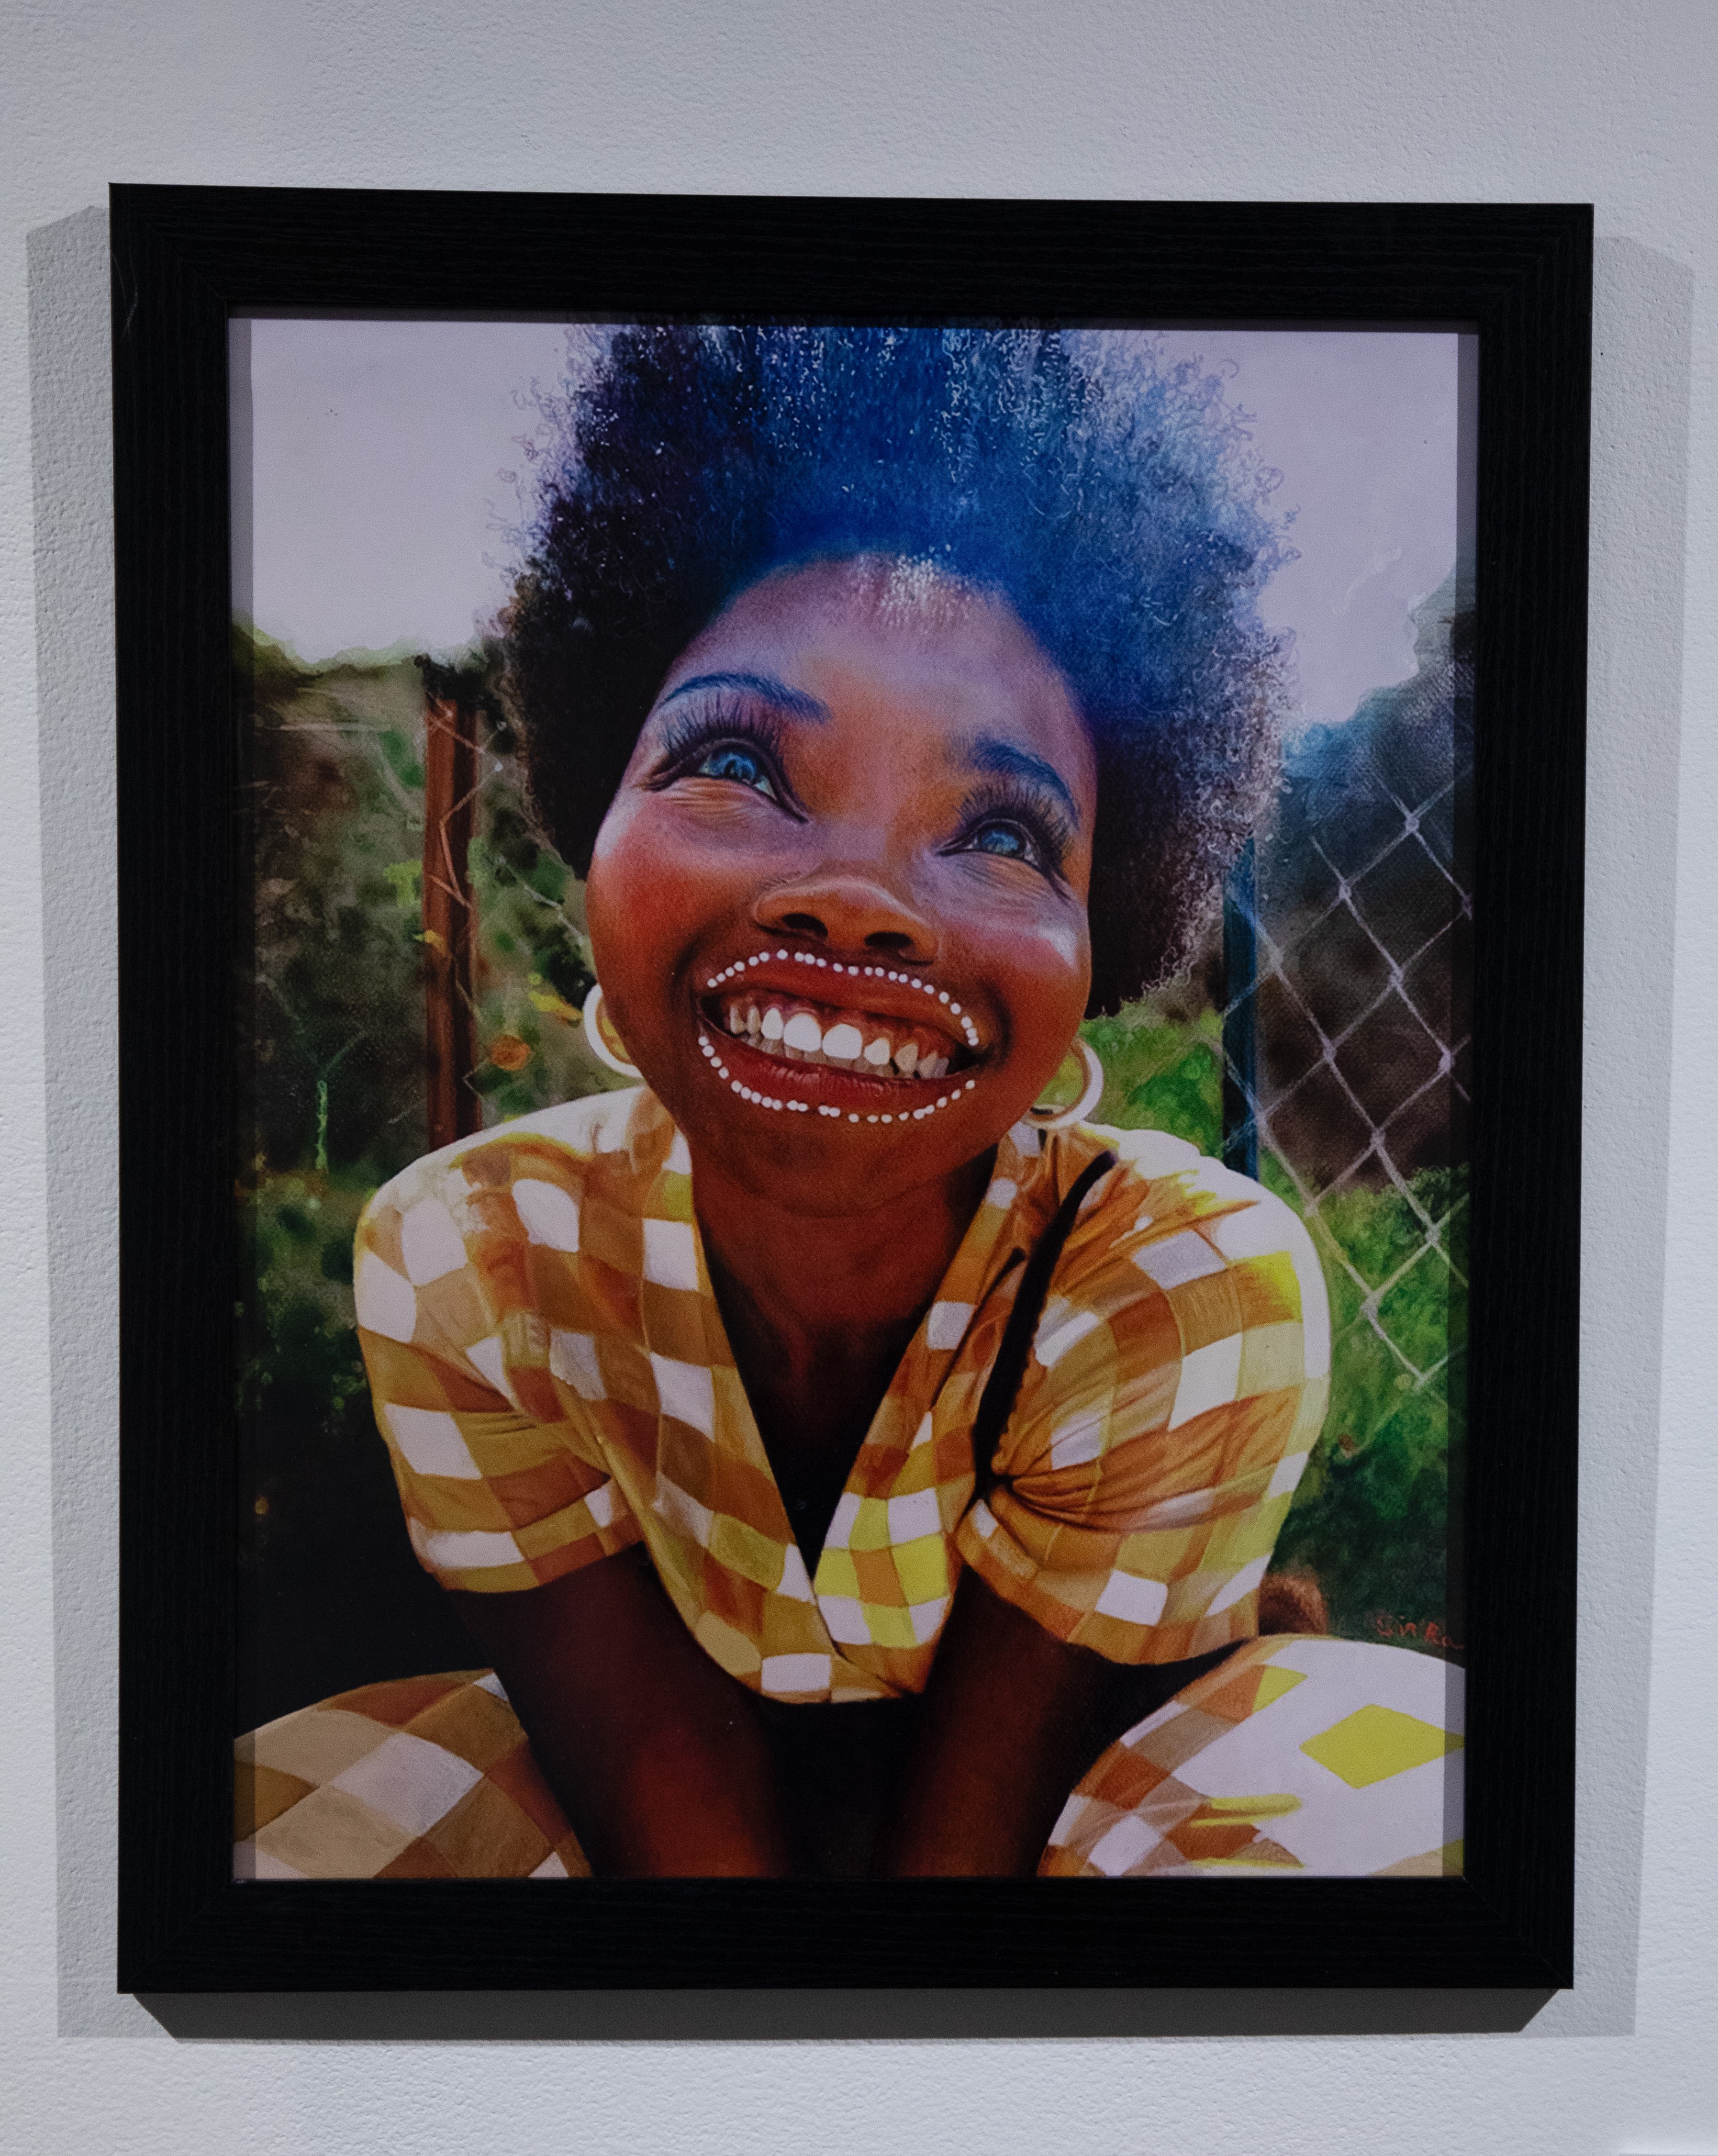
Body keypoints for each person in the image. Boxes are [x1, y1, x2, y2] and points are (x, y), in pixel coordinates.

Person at [235, 329, 1462, 1883]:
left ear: (1103, 943)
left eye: (1005, 833)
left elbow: (962, 1869)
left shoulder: (1182, 1279)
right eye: (740, 758)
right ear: (591, 812)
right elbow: (663, 1798)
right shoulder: (473, 1255)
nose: (857, 903)